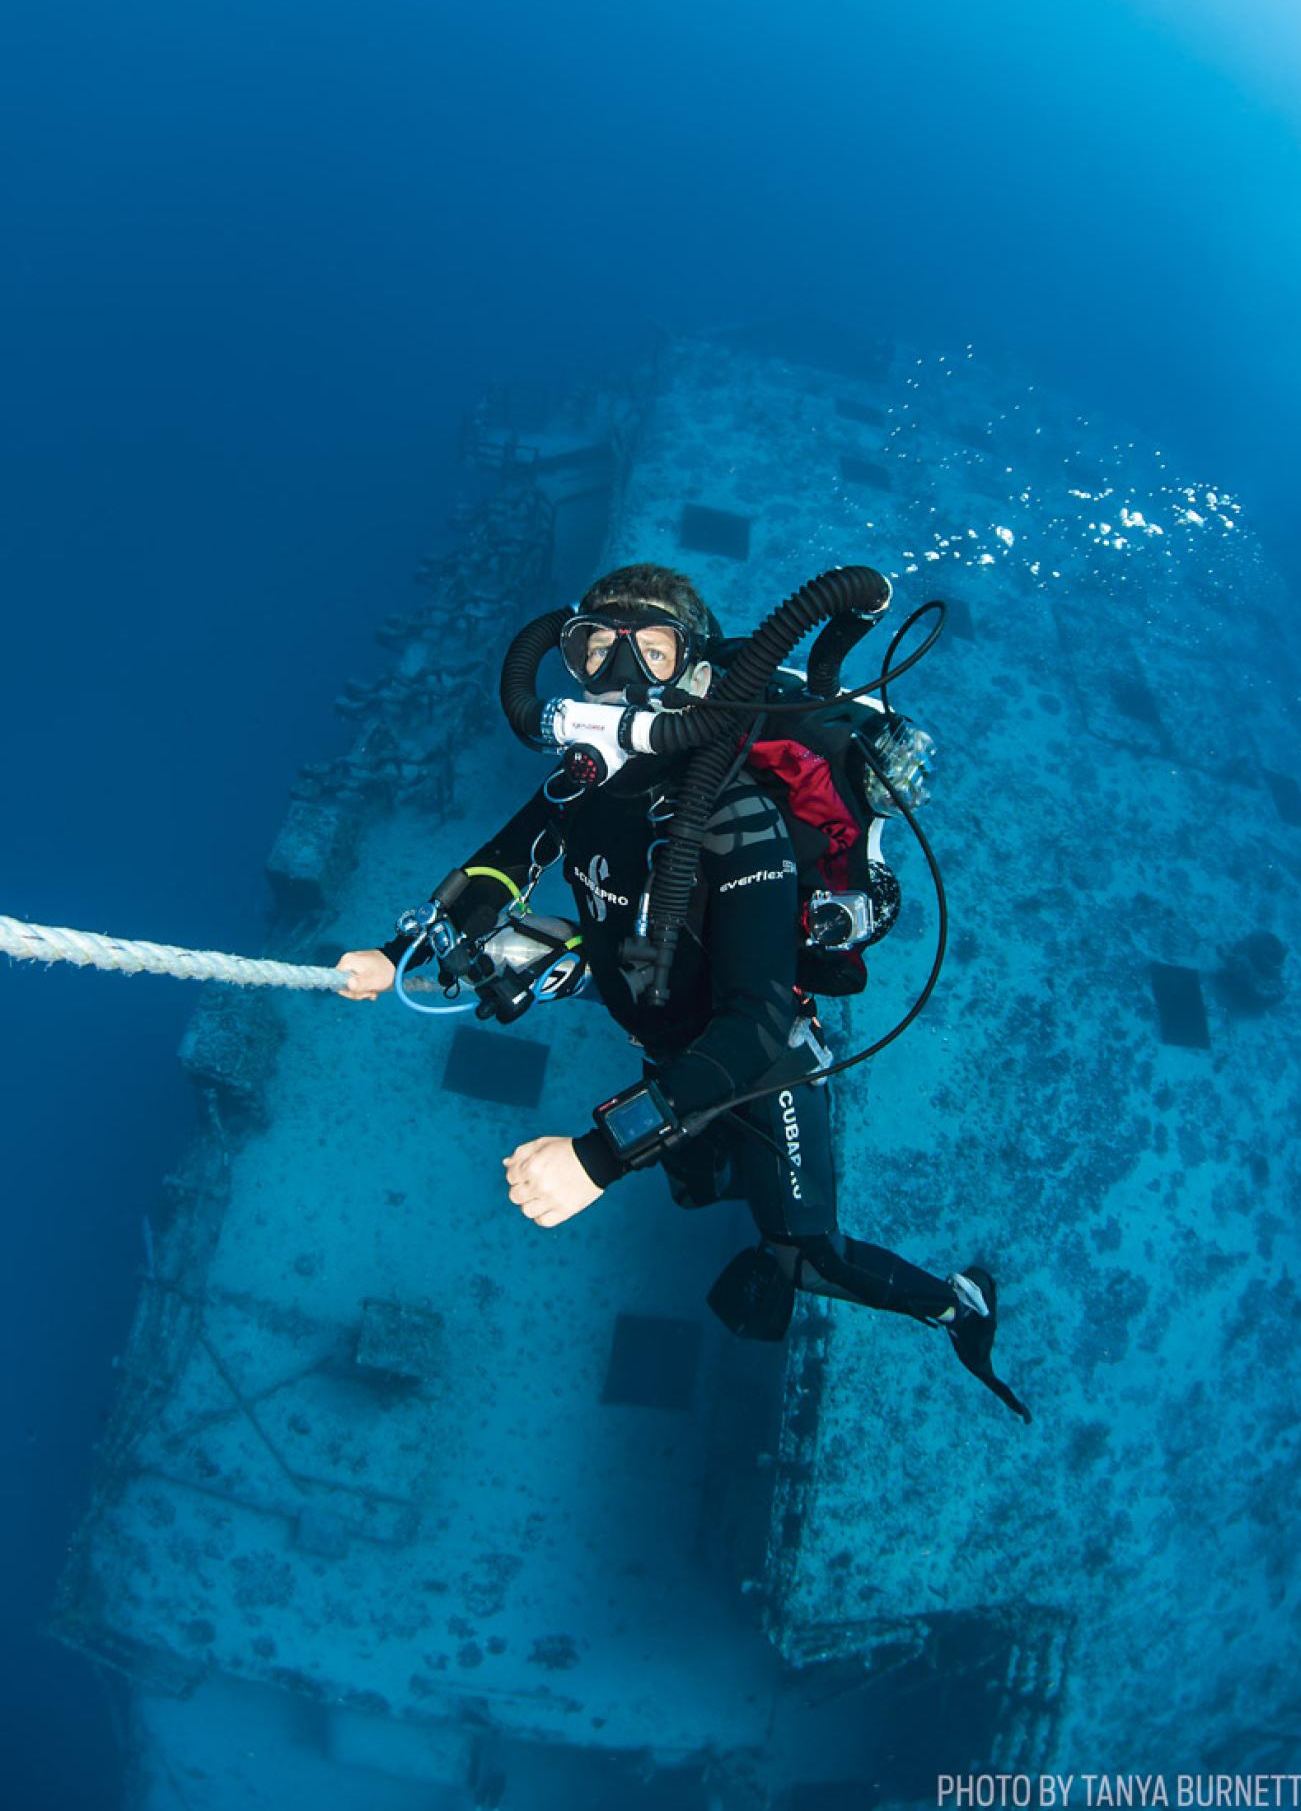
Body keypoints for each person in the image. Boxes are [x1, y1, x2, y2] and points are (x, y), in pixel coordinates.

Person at [336, 562, 1030, 1422]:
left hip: (761, 1061)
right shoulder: (582, 785)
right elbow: (500, 865)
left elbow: (753, 1025)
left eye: (652, 653)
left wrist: (597, 1156)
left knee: (804, 1255)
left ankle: (958, 1305)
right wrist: (396, 950)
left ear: (694, 672)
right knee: (699, 1182)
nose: (622, 680)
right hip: (657, 1017)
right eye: (599, 652)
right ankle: (614, 1034)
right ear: (569, 663)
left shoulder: (736, 814)